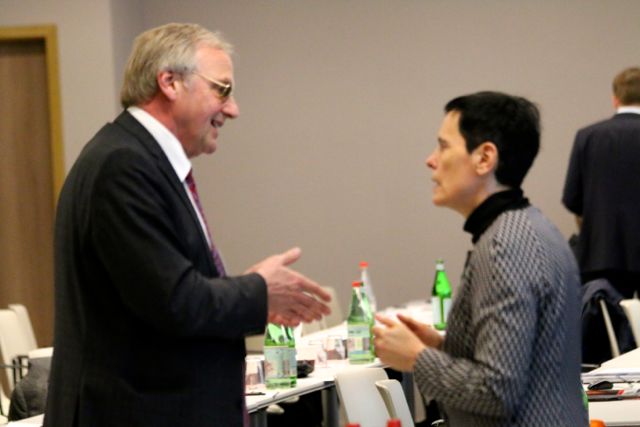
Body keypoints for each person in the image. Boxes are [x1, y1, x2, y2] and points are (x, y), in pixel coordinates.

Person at [44, 23, 331, 427]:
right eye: (222, 90)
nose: (233, 109)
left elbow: (167, 292)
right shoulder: (123, 166)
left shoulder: (139, 160)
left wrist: (249, 294)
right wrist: (258, 291)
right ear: (170, 83)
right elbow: (175, 302)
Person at [373, 92, 587, 426]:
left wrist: (417, 358)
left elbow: (496, 390)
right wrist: (443, 347)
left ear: (484, 158)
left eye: (443, 146)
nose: (430, 160)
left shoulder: (503, 246)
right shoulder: (536, 227)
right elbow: (530, 361)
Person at [562, 66, 640, 298]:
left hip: (602, 253)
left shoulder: (587, 136)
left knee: (608, 319)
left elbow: (571, 198)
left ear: (615, 98)